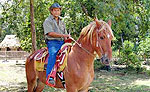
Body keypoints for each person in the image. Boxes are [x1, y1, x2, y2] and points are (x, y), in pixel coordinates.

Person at [43, 3, 70, 85]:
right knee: (53, 54)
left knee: (72, 53)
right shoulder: (48, 21)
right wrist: (63, 35)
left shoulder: (62, 21)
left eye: (58, 10)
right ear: (51, 11)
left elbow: (65, 33)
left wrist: (68, 38)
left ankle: (67, 75)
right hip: (53, 42)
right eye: (55, 10)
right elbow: (50, 33)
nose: (57, 12)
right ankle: (50, 76)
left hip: (62, 42)